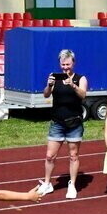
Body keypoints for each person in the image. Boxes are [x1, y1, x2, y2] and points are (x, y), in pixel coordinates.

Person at [38, 49, 88, 199]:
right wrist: (49, 85)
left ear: (73, 63)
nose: (65, 67)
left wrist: (72, 85)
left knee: (73, 155)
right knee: (50, 156)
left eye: (68, 64)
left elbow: (83, 95)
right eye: (63, 64)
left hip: (74, 123)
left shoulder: (80, 78)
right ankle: (47, 183)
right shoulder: (55, 77)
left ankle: (72, 185)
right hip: (57, 122)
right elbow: (46, 94)